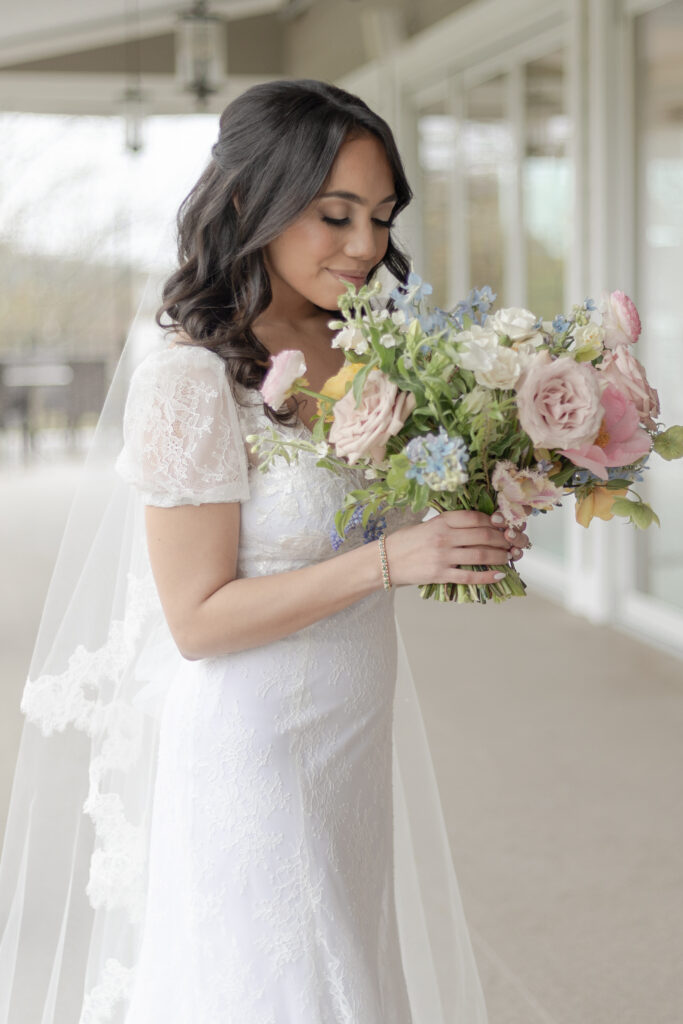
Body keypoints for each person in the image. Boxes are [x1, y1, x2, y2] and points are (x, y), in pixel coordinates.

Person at [0, 79, 528, 1023]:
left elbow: (360, 513)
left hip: (351, 728)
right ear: (252, 200)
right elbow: (196, 621)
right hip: (253, 751)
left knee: (350, 964)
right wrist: (390, 563)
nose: (366, 246)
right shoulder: (189, 374)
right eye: (335, 215)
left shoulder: (370, 341)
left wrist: (473, 512)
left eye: (379, 216)